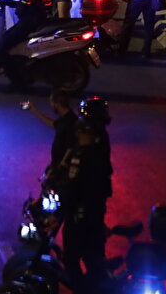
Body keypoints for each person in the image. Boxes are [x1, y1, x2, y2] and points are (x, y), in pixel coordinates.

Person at [55, 113, 112, 293]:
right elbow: (106, 189)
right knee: (93, 258)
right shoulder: (101, 154)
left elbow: (72, 189)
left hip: (79, 218)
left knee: (71, 259)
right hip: (96, 216)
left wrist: (58, 215)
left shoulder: (80, 157)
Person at [21, 90, 76, 174]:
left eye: (52, 102)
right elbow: (53, 124)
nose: (51, 105)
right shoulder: (66, 118)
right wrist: (34, 110)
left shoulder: (70, 122)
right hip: (58, 163)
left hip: (62, 166)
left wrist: (61, 165)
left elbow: (71, 146)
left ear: (57, 104)